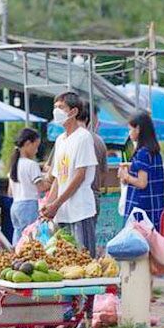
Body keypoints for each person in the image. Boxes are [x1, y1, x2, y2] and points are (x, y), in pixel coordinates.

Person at [40, 92, 98, 257]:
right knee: (66, 260)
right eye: (55, 107)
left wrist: (56, 204)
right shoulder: (60, 140)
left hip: (80, 210)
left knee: (84, 258)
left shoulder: (83, 137)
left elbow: (79, 176)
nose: (56, 111)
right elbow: (58, 178)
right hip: (63, 213)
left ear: (73, 112)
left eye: (61, 107)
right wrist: (49, 204)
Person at [119, 111, 164, 230]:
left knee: (138, 245)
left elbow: (141, 183)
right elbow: (148, 170)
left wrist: (126, 176)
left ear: (138, 129)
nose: (129, 133)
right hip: (154, 207)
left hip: (141, 209)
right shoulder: (154, 151)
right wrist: (131, 165)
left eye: (130, 129)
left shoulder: (142, 153)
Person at [8, 127, 50, 244]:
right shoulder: (31, 164)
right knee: (30, 239)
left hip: (15, 206)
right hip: (28, 205)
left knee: (18, 238)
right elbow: (41, 187)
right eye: (35, 147)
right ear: (27, 143)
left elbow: (10, 192)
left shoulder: (14, 164)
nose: (36, 151)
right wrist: (53, 180)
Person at [78, 103, 107, 219]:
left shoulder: (66, 139)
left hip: (75, 199)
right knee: (87, 235)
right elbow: (104, 173)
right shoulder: (98, 141)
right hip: (92, 196)